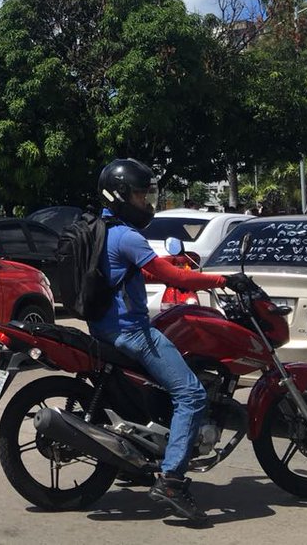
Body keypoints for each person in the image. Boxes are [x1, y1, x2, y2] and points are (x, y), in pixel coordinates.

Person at [91, 158, 237, 523]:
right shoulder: (127, 236)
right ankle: (172, 480)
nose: (147, 202)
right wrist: (223, 280)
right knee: (191, 393)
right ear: (121, 195)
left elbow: (144, 271)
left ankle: (138, 460)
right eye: (141, 195)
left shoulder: (105, 229)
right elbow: (173, 277)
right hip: (131, 332)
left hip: (105, 328)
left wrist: (174, 268)